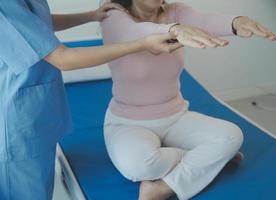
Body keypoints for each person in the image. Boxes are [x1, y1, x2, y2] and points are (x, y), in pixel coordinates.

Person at [0, 1, 183, 199]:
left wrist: (90, 15)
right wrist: (142, 44)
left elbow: (38, 24)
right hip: (16, 124)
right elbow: (64, 59)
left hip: (37, 116)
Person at [100, 1, 276, 200]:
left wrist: (236, 22)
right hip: (128, 123)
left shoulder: (175, 12)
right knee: (139, 166)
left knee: (231, 135)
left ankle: (164, 187)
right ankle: (208, 159)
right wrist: (176, 30)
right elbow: (134, 32)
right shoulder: (112, 15)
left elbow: (204, 20)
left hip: (176, 117)